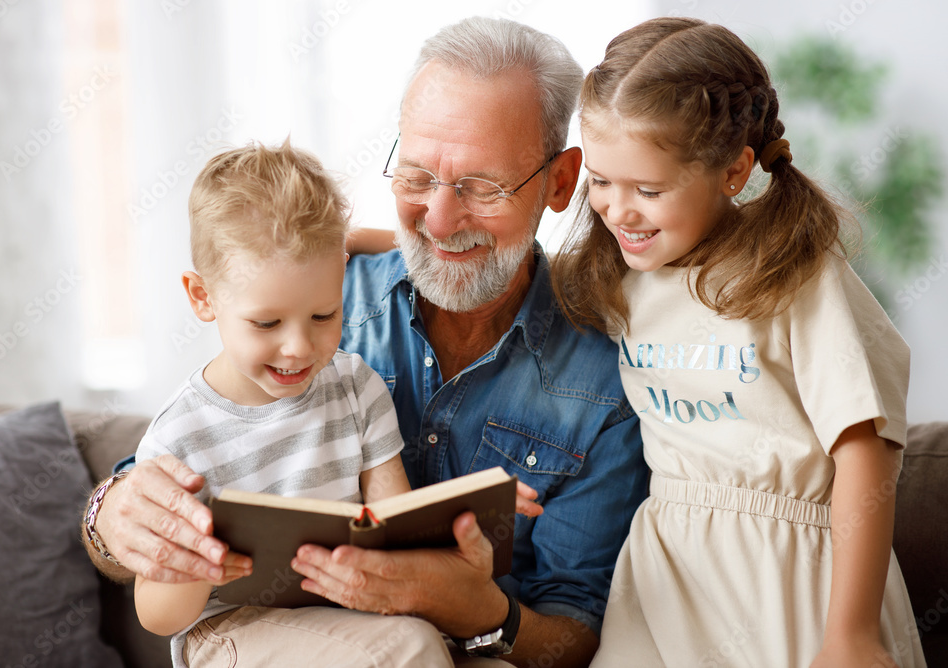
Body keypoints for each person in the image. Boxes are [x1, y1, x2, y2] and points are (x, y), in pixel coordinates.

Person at [82, 17, 648, 666]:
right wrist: (113, 511)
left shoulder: (603, 387)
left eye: (482, 187)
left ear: (559, 182)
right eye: (415, 178)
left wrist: (479, 609)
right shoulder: (312, 297)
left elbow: (573, 637)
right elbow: (161, 487)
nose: (438, 218)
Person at [551, 16, 926, 667]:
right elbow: (515, 270)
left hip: (792, 578)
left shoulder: (793, 270)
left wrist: (853, 634)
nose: (617, 210)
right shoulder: (616, 270)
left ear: (733, 172)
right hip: (664, 577)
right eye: (601, 182)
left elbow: (865, 449)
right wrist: (366, 243)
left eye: (648, 189)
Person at [130, 140, 461, 666]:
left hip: (348, 614)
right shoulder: (180, 439)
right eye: (266, 323)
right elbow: (155, 615)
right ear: (202, 297)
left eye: (324, 315)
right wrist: (197, 561)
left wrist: (464, 515)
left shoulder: (355, 388)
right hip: (231, 629)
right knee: (409, 649)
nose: (300, 348)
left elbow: (397, 528)